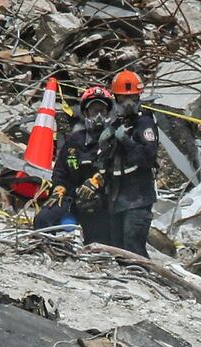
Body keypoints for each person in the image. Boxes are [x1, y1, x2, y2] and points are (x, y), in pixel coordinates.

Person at [34, 84, 113, 245]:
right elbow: (60, 171)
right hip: (71, 198)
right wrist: (59, 189)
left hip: (100, 202)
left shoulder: (113, 140)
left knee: (97, 241)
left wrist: (97, 182)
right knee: (44, 217)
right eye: (93, 111)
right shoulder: (74, 141)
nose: (98, 116)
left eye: (102, 111)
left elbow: (115, 169)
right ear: (85, 113)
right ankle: (46, 247)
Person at [97, 69, 158, 257]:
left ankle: (142, 282)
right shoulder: (115, 126)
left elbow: (148, 159)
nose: (128, 104)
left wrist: (127, 141)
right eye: (123, 100)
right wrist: (104, 144)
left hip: (138, 200)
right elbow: (106, 163)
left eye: (132, 98)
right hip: (117, 199)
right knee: (117, 249)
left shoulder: (145, 125)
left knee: (133, 250)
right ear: (115, 100)